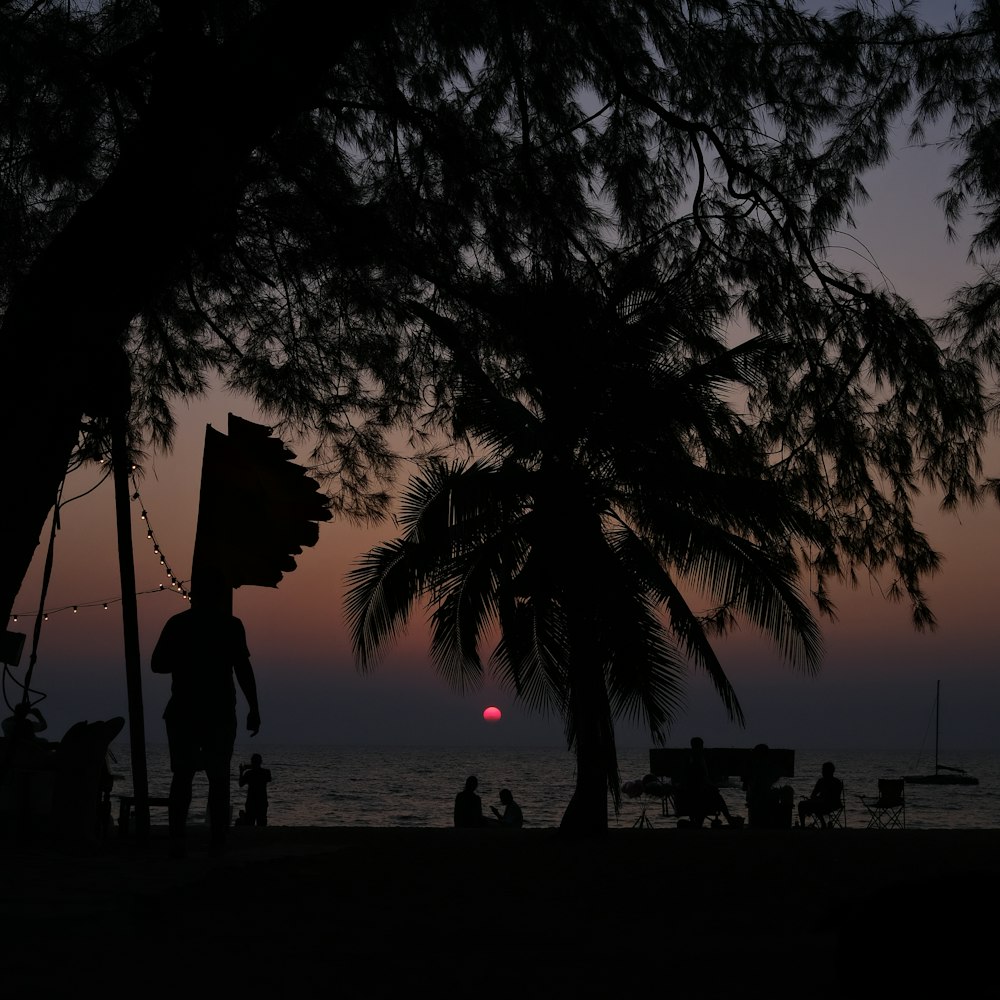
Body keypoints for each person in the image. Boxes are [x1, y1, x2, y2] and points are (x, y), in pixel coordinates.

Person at [151, 571, 261, 858]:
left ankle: (186, 836)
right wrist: (254, 708)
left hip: (189, 711)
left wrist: (254, 707)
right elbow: (242, 670)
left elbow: (158, 664)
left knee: (186, 775)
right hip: (214, 711)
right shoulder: (229, 626)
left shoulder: (179, 624)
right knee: (215, 775)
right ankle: (215, 837)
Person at [678, 736, 739, 827]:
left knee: (711, 797)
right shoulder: (697, 760)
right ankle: (729, 818)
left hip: (691, 794)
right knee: (717, 797)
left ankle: (727, 819)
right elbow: (702, 777)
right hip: (699, 794)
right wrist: (712, 786)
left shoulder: (689, 758)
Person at [798, 761, 843, 828]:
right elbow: (813, 794)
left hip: (833, 804)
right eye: (822, 770)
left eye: (824, 770)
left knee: (817, 805)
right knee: (801, 804)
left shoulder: (836, 782)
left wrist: (819, 799)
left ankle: (823, 823)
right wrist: (815, 798)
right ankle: (802, 826)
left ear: (830, 771)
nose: (822, 772)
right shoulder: (821, 781)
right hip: (821, 803)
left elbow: (834, 797)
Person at [238, 752, 272, 826]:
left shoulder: (248, 773)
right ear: (261, 762)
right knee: (261, 824)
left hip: (251, 802)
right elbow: (269, 778)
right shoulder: (266, 772)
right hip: (262, 802)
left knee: (250, 824)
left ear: (252, 762)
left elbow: (240, 784)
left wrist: (241, 772)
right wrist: (251, 767)